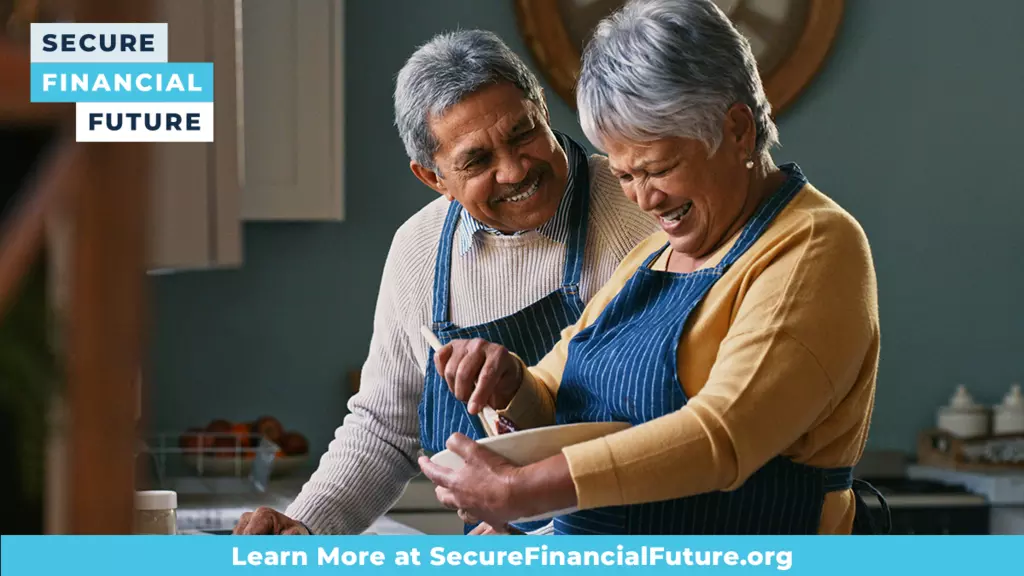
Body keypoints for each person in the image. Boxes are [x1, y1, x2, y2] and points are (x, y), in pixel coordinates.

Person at [418, 0, 889, 535]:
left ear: (736, 130)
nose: (643, 199)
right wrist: (511, 385)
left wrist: (524, 492)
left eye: (658, 168)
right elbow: (555, 395)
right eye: (623, 175)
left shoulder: (813, 246)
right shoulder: (653, 257)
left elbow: (724, 434)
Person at [232, 30, 657, 535]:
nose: (515, 170)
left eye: (523, 134)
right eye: (477, 161)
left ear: (541, 107)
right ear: (432, 177)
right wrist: (305, 528)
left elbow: (681, 420)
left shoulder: (645, 210)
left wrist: (546, 535)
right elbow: (384, 430)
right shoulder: (419, 249)